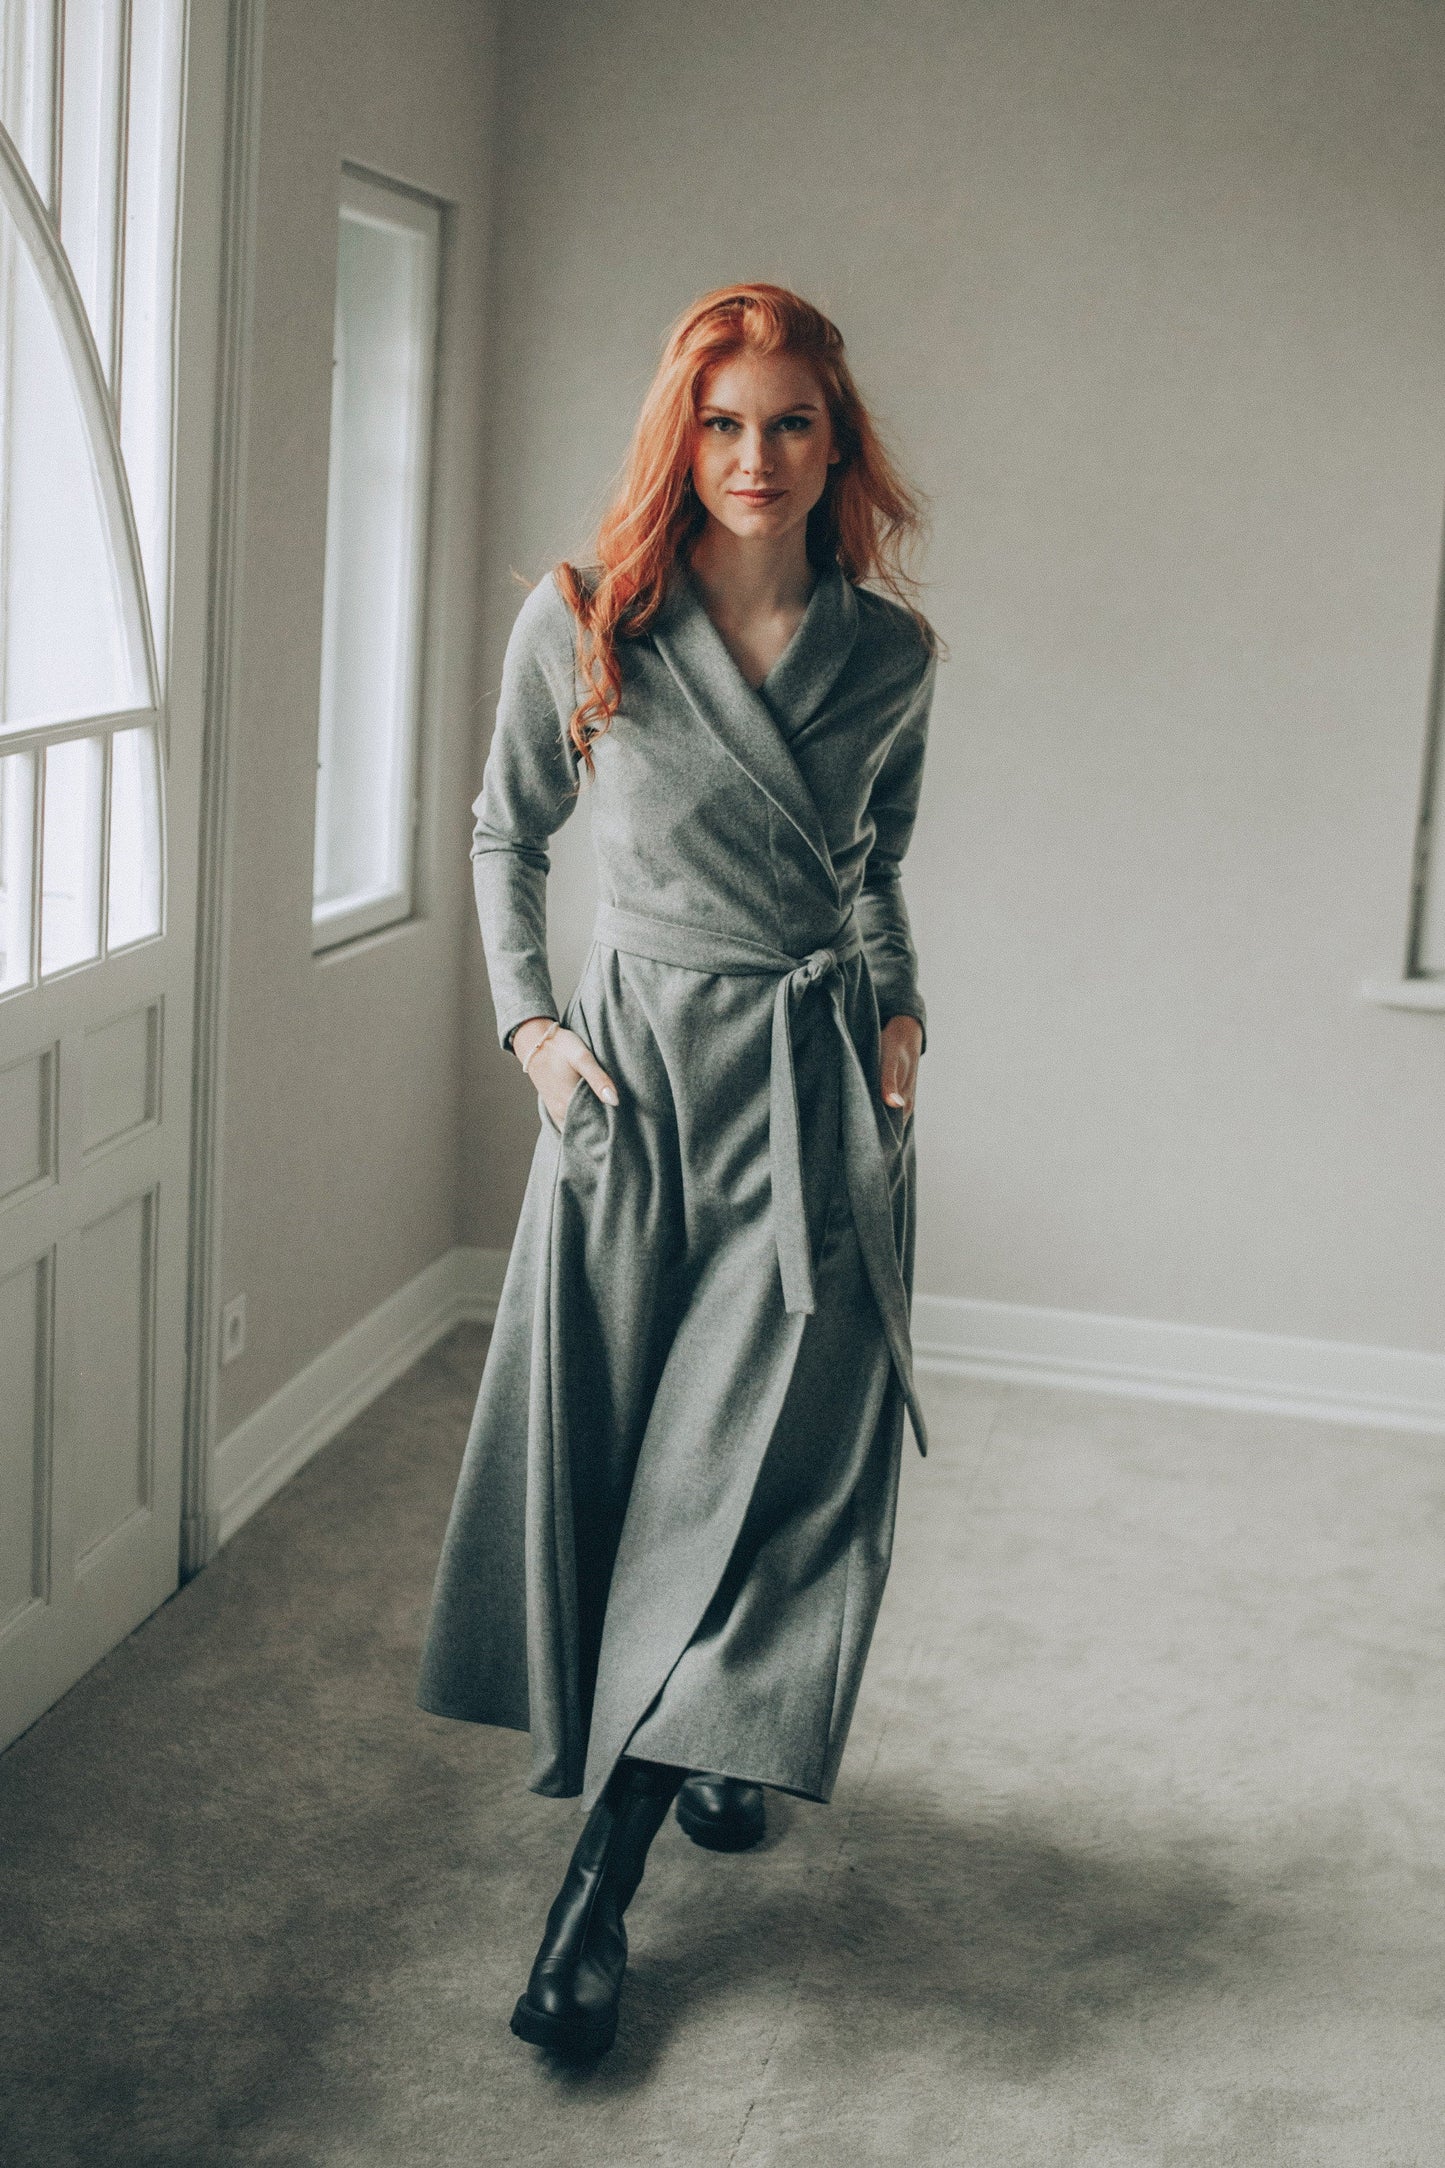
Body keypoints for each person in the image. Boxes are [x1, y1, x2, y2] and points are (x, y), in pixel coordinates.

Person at [417, 281, 940, 2058]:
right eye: (722, 422)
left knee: (764, 1490)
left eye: (790, 421)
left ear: (834, 439)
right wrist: (530, 1034)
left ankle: (596, 1897)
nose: (756, 457)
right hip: (634, 1097)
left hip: (813, 1105)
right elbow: (506, 832)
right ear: (679, 433)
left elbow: (870, 867)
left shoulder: (890, 656)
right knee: (635, 1476)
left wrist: (897, 1011)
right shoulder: (589, 622)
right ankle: (697, 1739)